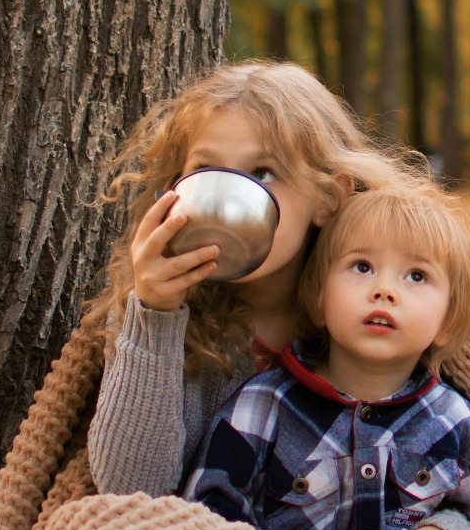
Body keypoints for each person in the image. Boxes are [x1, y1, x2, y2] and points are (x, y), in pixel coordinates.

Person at [84, 60, 419, 497]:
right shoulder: (160, 316)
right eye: (206, 170)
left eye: (263, 173)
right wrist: (154, 315)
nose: (229, 197)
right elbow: (131, 489)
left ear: (329, 198)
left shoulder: (381, 301)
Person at [178, 184, 470, 530]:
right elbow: (207, 511)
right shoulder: (263, 407)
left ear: (447, 322)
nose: (385, 290)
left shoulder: (456, 425)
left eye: (416, 276)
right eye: (362, 267)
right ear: (319, 298)